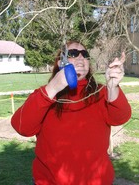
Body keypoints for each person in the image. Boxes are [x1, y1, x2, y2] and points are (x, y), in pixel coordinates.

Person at [11, 40, 131, 185]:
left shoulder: (100, 92)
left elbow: (121, 117)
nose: (81, 58)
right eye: (73, 53)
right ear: (60, 61)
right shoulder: (46, 94)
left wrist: (112, 87)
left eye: (85, 54)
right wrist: (53, 88)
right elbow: (22, 127)